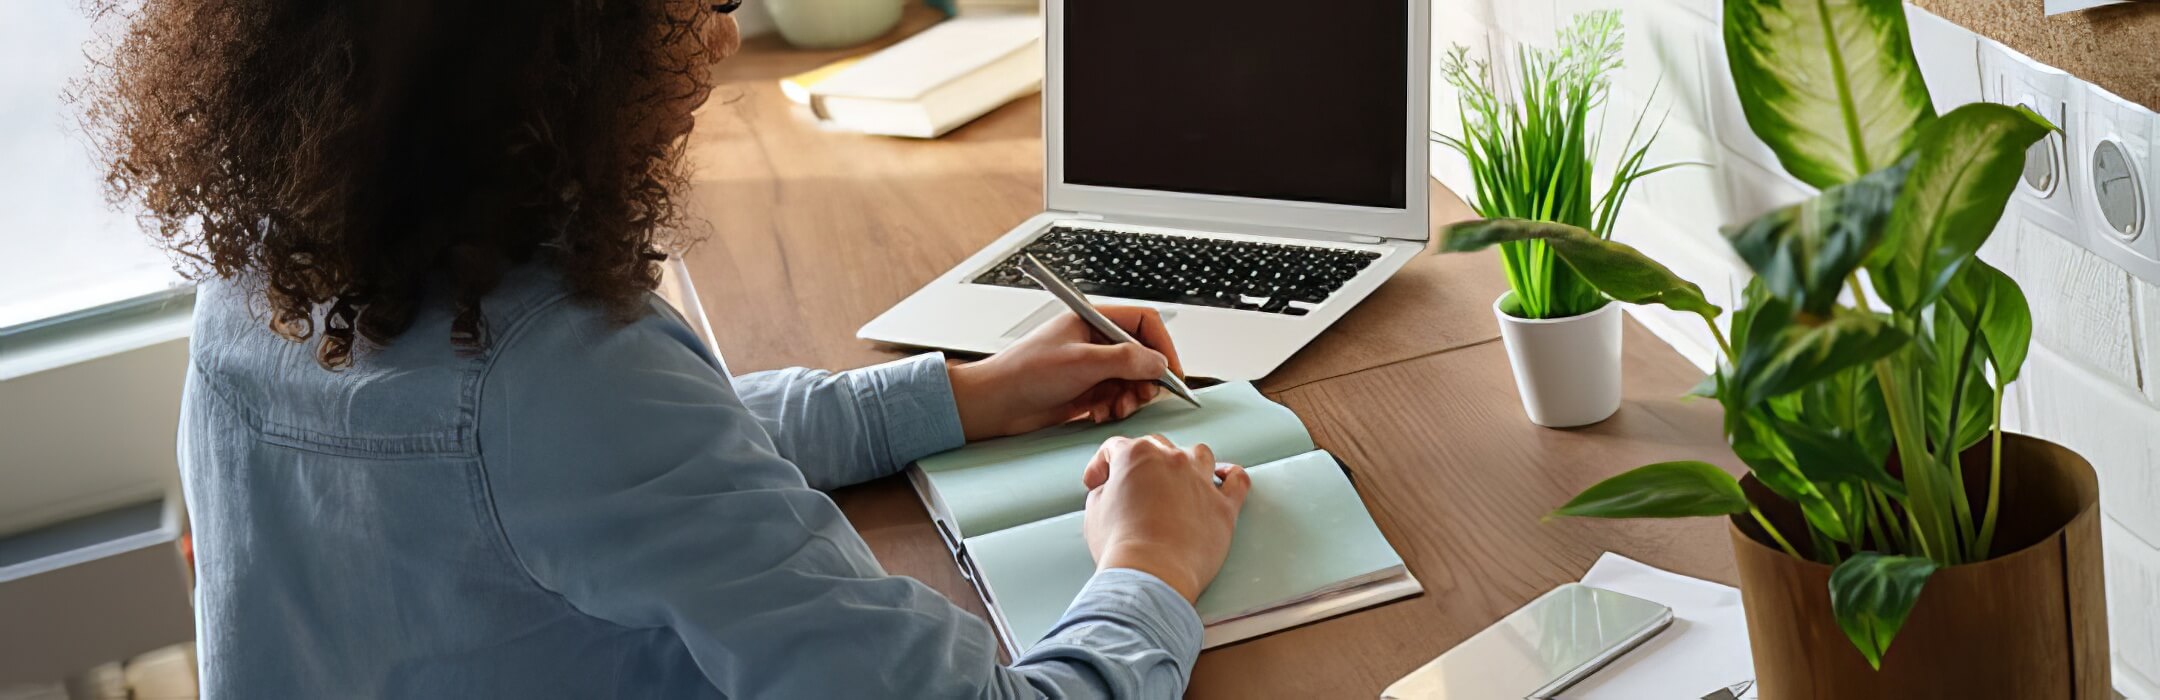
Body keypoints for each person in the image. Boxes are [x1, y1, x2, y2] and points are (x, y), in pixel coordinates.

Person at [79, 0, 1251, 697]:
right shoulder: (563, 371)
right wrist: (1149, 561)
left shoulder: (273, 276)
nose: (719, 32)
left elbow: (596, 474)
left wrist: (952, 396)